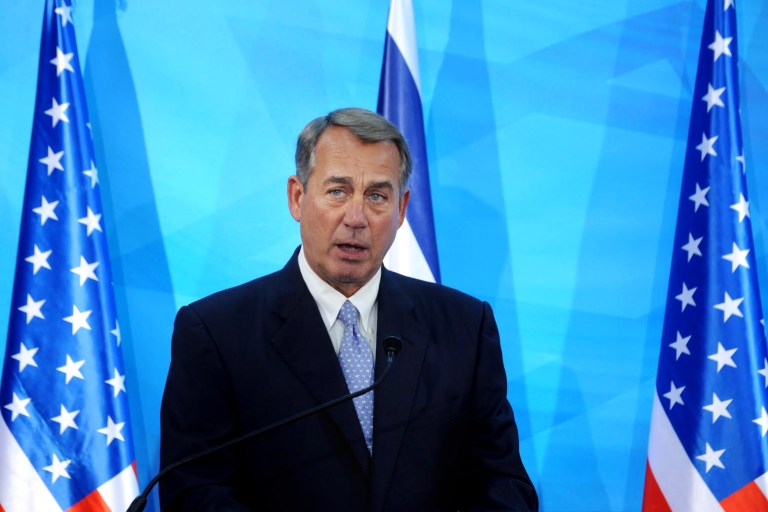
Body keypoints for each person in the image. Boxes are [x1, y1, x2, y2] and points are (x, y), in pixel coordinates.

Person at [159, 107, 538, 511]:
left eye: (377, 196)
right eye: (337, 191)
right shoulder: (217, 333)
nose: (356, 218)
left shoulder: (464, 328)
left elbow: (503, 485)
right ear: (298, 197)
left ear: (402, 208)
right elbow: (195, 492)